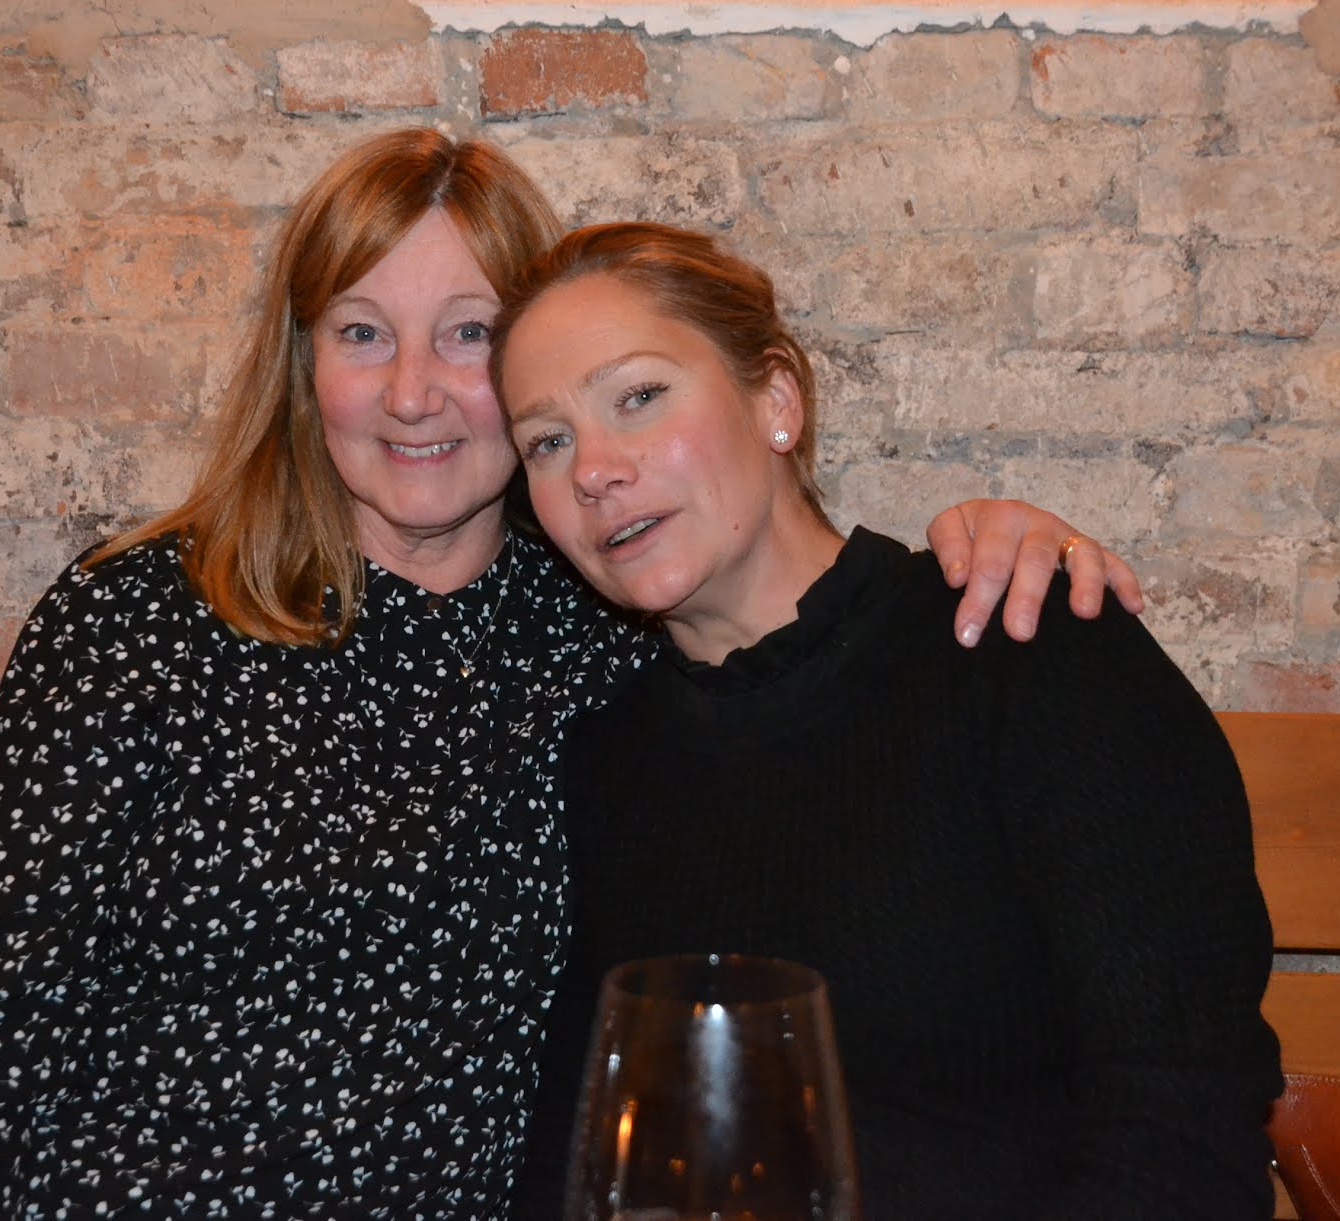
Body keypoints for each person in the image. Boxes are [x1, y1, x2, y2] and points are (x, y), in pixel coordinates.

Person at [0, 129, 1144, 1219]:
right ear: (302, 365)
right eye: (361, 333)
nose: (412, 394)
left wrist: (996, 544)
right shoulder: (139, 622)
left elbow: (816, 662)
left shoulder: (611, 629)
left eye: (468, 335)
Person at [494, 223, 1283, 1219]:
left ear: (776, 400)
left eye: (638, 396)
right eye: (547, 442)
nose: (593, 470)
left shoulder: (1023, 650)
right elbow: (576, 1157)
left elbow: (1184, 1128)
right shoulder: (607, 758)